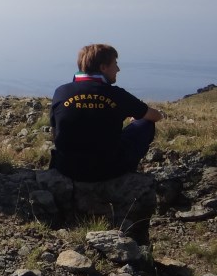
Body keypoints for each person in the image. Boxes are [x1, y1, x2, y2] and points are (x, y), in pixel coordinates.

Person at [50, 44, 164, 182]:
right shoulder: (117, 95)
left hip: (66, 168)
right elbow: (156, 116)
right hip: (109, 170)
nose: (118, 69)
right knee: (145, 124)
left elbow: (55, 133)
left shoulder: (61, 92)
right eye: (115, 64)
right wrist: (135, 117)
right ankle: (127, 175)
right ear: (103, 67)